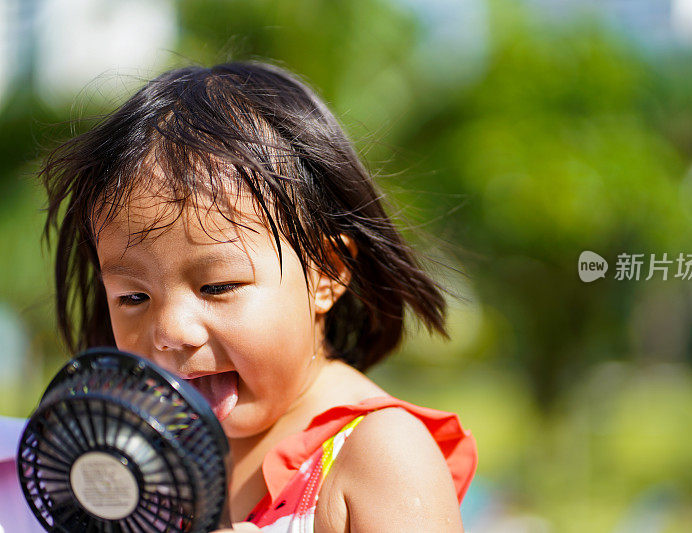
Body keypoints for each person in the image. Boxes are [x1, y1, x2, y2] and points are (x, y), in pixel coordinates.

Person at [39, 61, 477, 532]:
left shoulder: (380, 453)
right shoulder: (149, 465)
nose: (169, 331)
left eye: (217, 287)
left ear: (326, 273)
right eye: (132, 297)